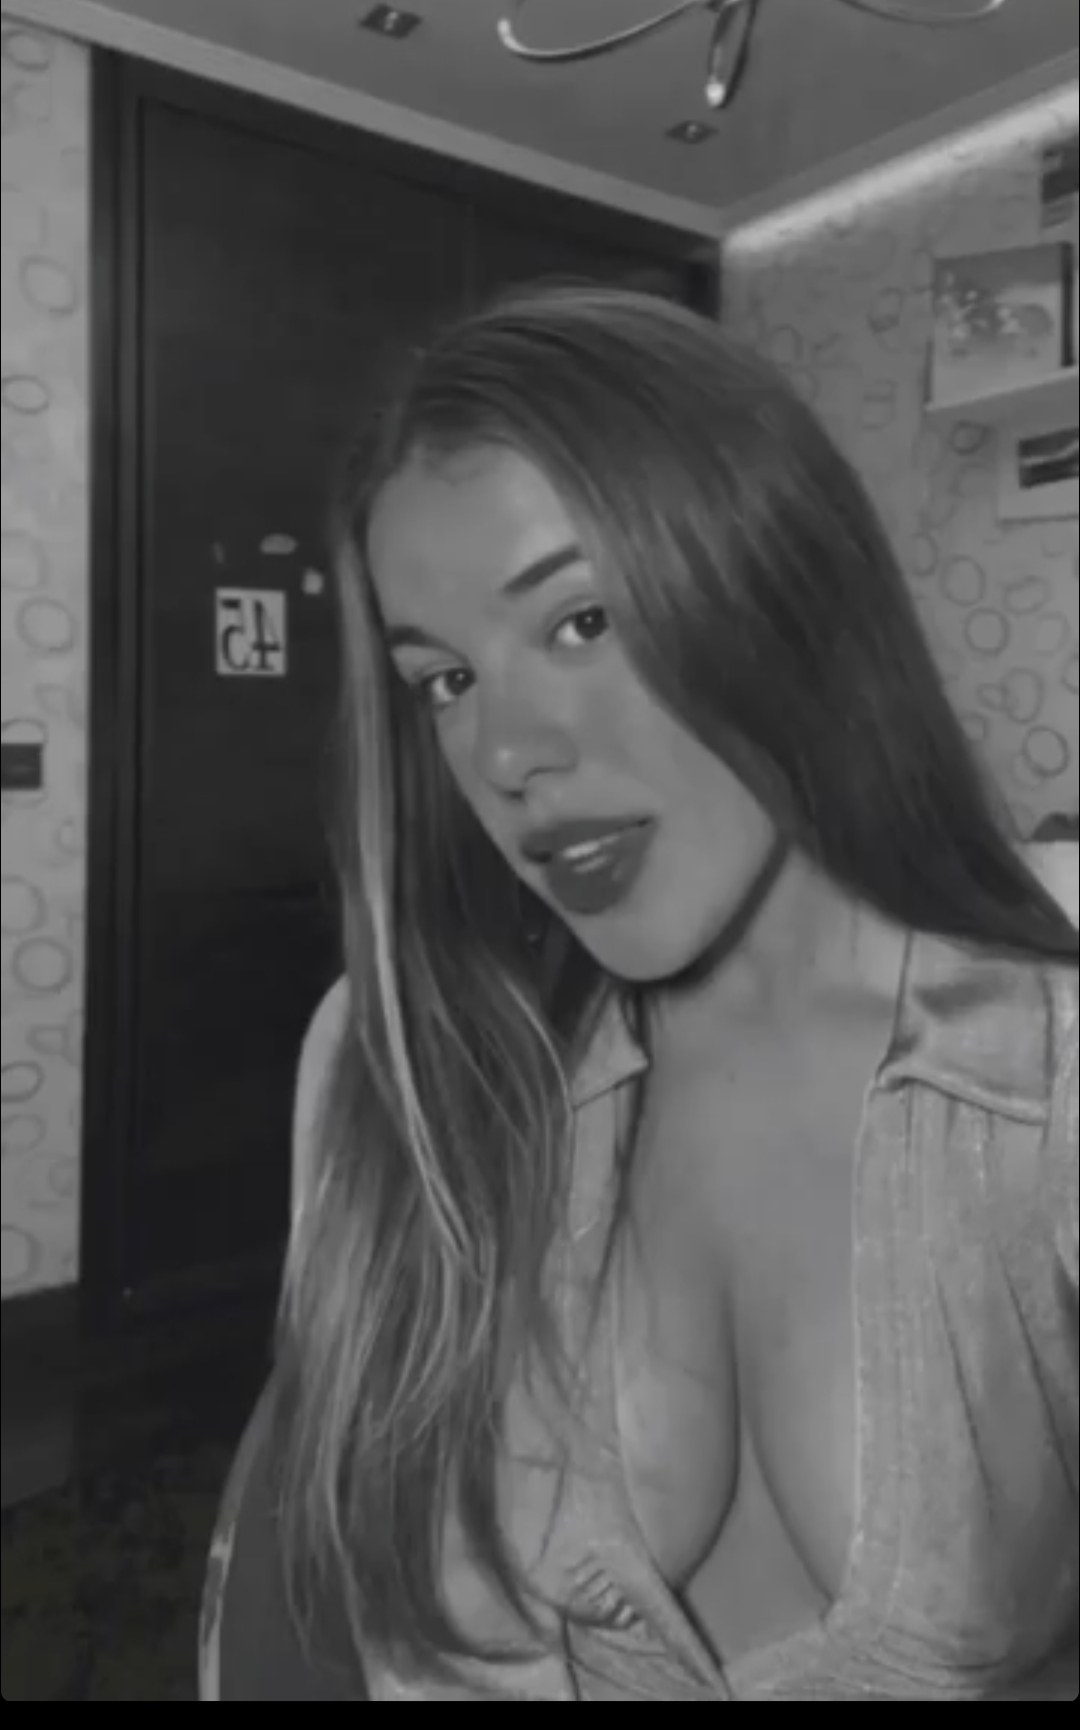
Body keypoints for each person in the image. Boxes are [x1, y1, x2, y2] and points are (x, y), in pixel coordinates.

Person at [199, 285, 1078, 1702]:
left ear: (784, 588)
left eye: (581, 618)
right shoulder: (411, 1069)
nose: (506, 754)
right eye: (445, 680)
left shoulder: (1046, 1084)